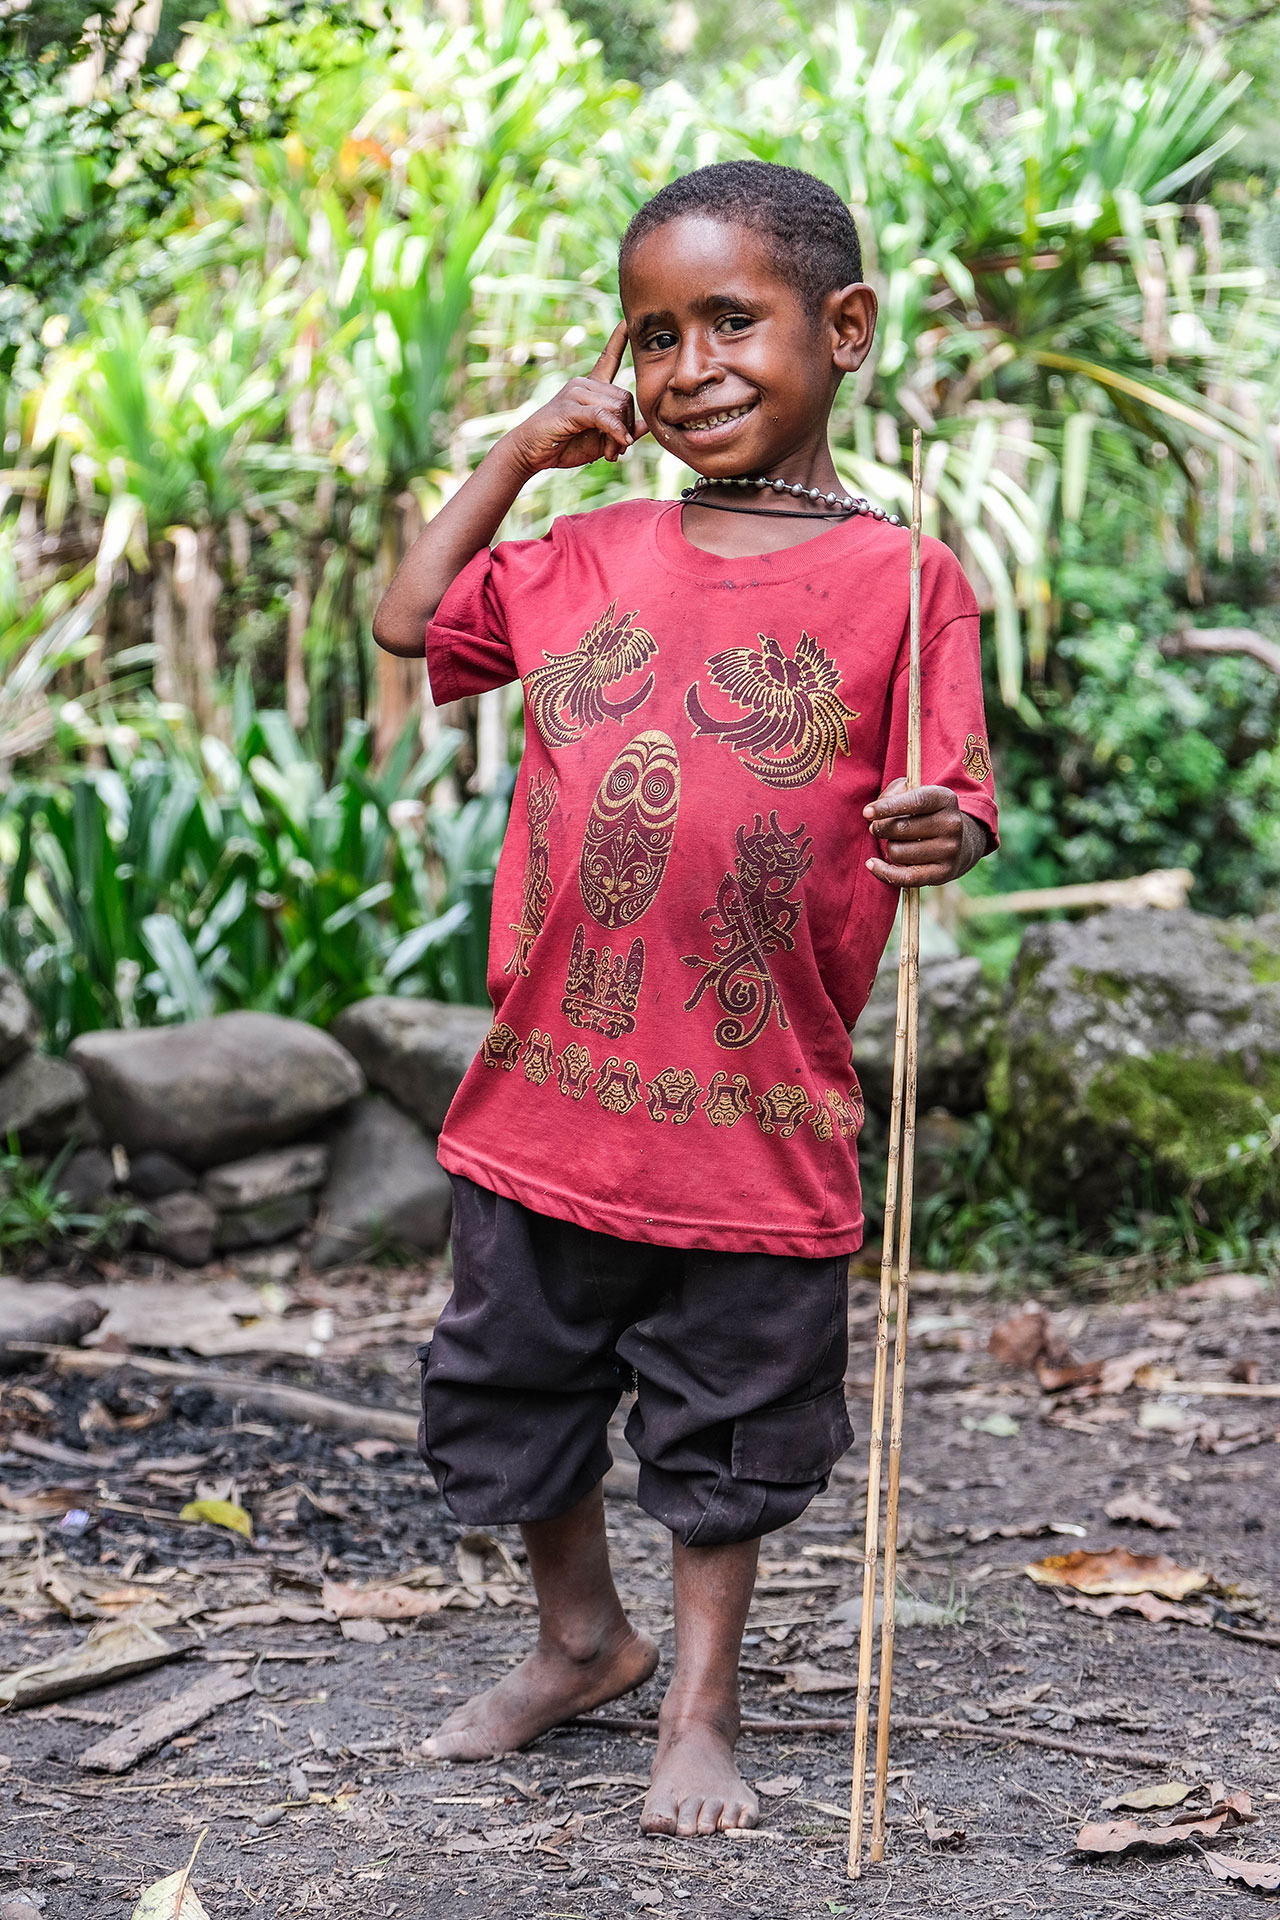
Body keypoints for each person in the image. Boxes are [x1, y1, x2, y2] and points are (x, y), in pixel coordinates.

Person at [373, 159, 997, 1838]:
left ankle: (700, 1710)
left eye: (734, 320)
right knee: (512, 1382)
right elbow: (405, 617)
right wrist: (516, 454)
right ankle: (581, 1639)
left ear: (843, 329)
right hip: (550, 1091)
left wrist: (941, 828)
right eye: (654, 335)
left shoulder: (905, 580)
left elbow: (951, 797)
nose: (690, 365)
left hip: (758, 1106)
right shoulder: (585, 550)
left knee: (731, 1418)